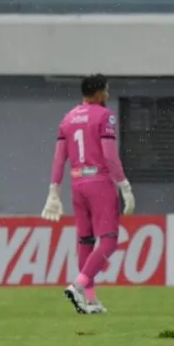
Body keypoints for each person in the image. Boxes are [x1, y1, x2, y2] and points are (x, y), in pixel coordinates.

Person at [41, 74, 135, 315]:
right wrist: (124, 186)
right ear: (98, 93)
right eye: (106, 90)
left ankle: (91, 301)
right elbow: (110, 156)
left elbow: (59, 158)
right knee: (110, 240)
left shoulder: (68, 118)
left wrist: (54, 190)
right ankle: (78, 286)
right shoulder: (105, 116)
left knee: (85, 240)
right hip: (99, 182)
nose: (108, 95)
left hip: (77, 183)